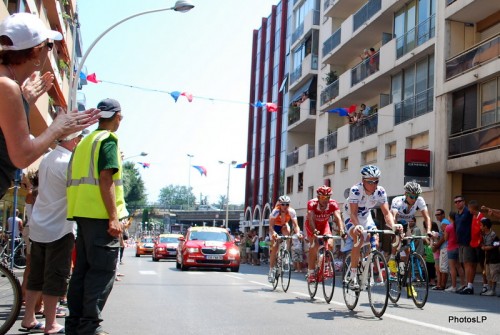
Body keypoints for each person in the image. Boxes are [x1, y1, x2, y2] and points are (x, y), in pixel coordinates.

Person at [0, 13, 100, 199]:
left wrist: (24, 100)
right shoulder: (6, 86)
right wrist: (57, 128)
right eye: (50, 45)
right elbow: (22, 156)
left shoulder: (8, 86)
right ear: (37, 52)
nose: (50, 51)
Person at [65, 98, 127, 335]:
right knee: (100, 273)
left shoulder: (84, 142)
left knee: (82, 272)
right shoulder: (108, 140)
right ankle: (90, 327)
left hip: (81, 214)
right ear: (118, 116)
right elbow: (105, 178)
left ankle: (75, 324)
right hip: (101, 217)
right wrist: (113, 217)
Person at [21, 131, 83, 334]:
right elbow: (76, 193)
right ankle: (50, 323)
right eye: (79, 139)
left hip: (40, 224)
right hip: (59, 227)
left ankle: (29, 317)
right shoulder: (68, 163)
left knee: (36, 276)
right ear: (74, 140)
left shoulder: (47, 157)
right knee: (55, 276)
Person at [343, 165, 398, 289]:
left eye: (376, 181)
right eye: (370, 182)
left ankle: (365, 264)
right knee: (359, 238)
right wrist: (357, 226)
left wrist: (393, 226)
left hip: (366, 216)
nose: (374, 184)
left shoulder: (380, 191)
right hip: (351, 216)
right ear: (363, 181)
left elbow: (386, 213)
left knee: (376, 242)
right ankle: (353, 276)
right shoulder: (356, 190)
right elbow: (353, 213)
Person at [389, 181, 431, 276]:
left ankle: (407, 277)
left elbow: (427, 217)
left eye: (416, 197)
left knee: (408, 250)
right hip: (392, 220)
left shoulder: (419, 200)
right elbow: (393, 217)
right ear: (405, 194)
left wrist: (428, 231)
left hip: (404, 222)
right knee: (398, 235)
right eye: (412, 197)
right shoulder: (397, 200)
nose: (414, 199)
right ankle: (392, 259)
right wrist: (397, 229)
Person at [306, 186, 344, 283]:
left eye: (327, 197)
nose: (325, 200)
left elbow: (338, 217)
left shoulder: (332, 204)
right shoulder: (312, 203)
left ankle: (326, 264)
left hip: (324, 225)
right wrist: (314, 230)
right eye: (322, 198)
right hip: (312, 225)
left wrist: (341, 230)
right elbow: (311, 218)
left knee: (330, 244)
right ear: (318, 197)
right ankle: (310, 272)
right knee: (314, 246)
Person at [268, 195, 302, 282]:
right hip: (275, 227)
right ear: (280, 204)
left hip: (283, 226)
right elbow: (271, 226)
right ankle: (271, 270)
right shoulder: (275, 211)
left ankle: (285, 253)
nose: (285, 206)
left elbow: (295, 225)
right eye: (283, 204)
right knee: (275, 247)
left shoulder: (291, 211)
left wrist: (298, 233)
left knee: (287, 235)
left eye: (287, 204)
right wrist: (274, 233)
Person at [453, 195, 475, 295]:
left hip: (468, 241)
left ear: (464, 202)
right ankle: (467, 285)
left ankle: (470, 286)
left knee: (468, 263)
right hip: (460, 242)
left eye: (459, 201)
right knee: (464, 263)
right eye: (456, 202)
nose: (457, 203)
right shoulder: (457, 214)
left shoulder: (468, 212)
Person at [444, 211, 465, 292]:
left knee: (452, 268)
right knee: (459, 266)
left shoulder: (449, 227)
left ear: (450, 217)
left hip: (451, 247)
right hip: (458, 247)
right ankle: (463, 284)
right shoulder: (458, 225)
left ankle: (454, 286)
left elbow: (446, 238)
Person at [480, 218, 500, 296]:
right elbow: (481, 243)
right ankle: (490, 288)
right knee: (488, 273)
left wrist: (488, 247)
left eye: (481, 225)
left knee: (493, 273)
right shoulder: (483, 235)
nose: (480, 227)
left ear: (486, 226)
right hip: (487, 257)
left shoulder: (493, 235)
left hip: (494, 258)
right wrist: (482, 246)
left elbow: (497, 244)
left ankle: (493, 290)